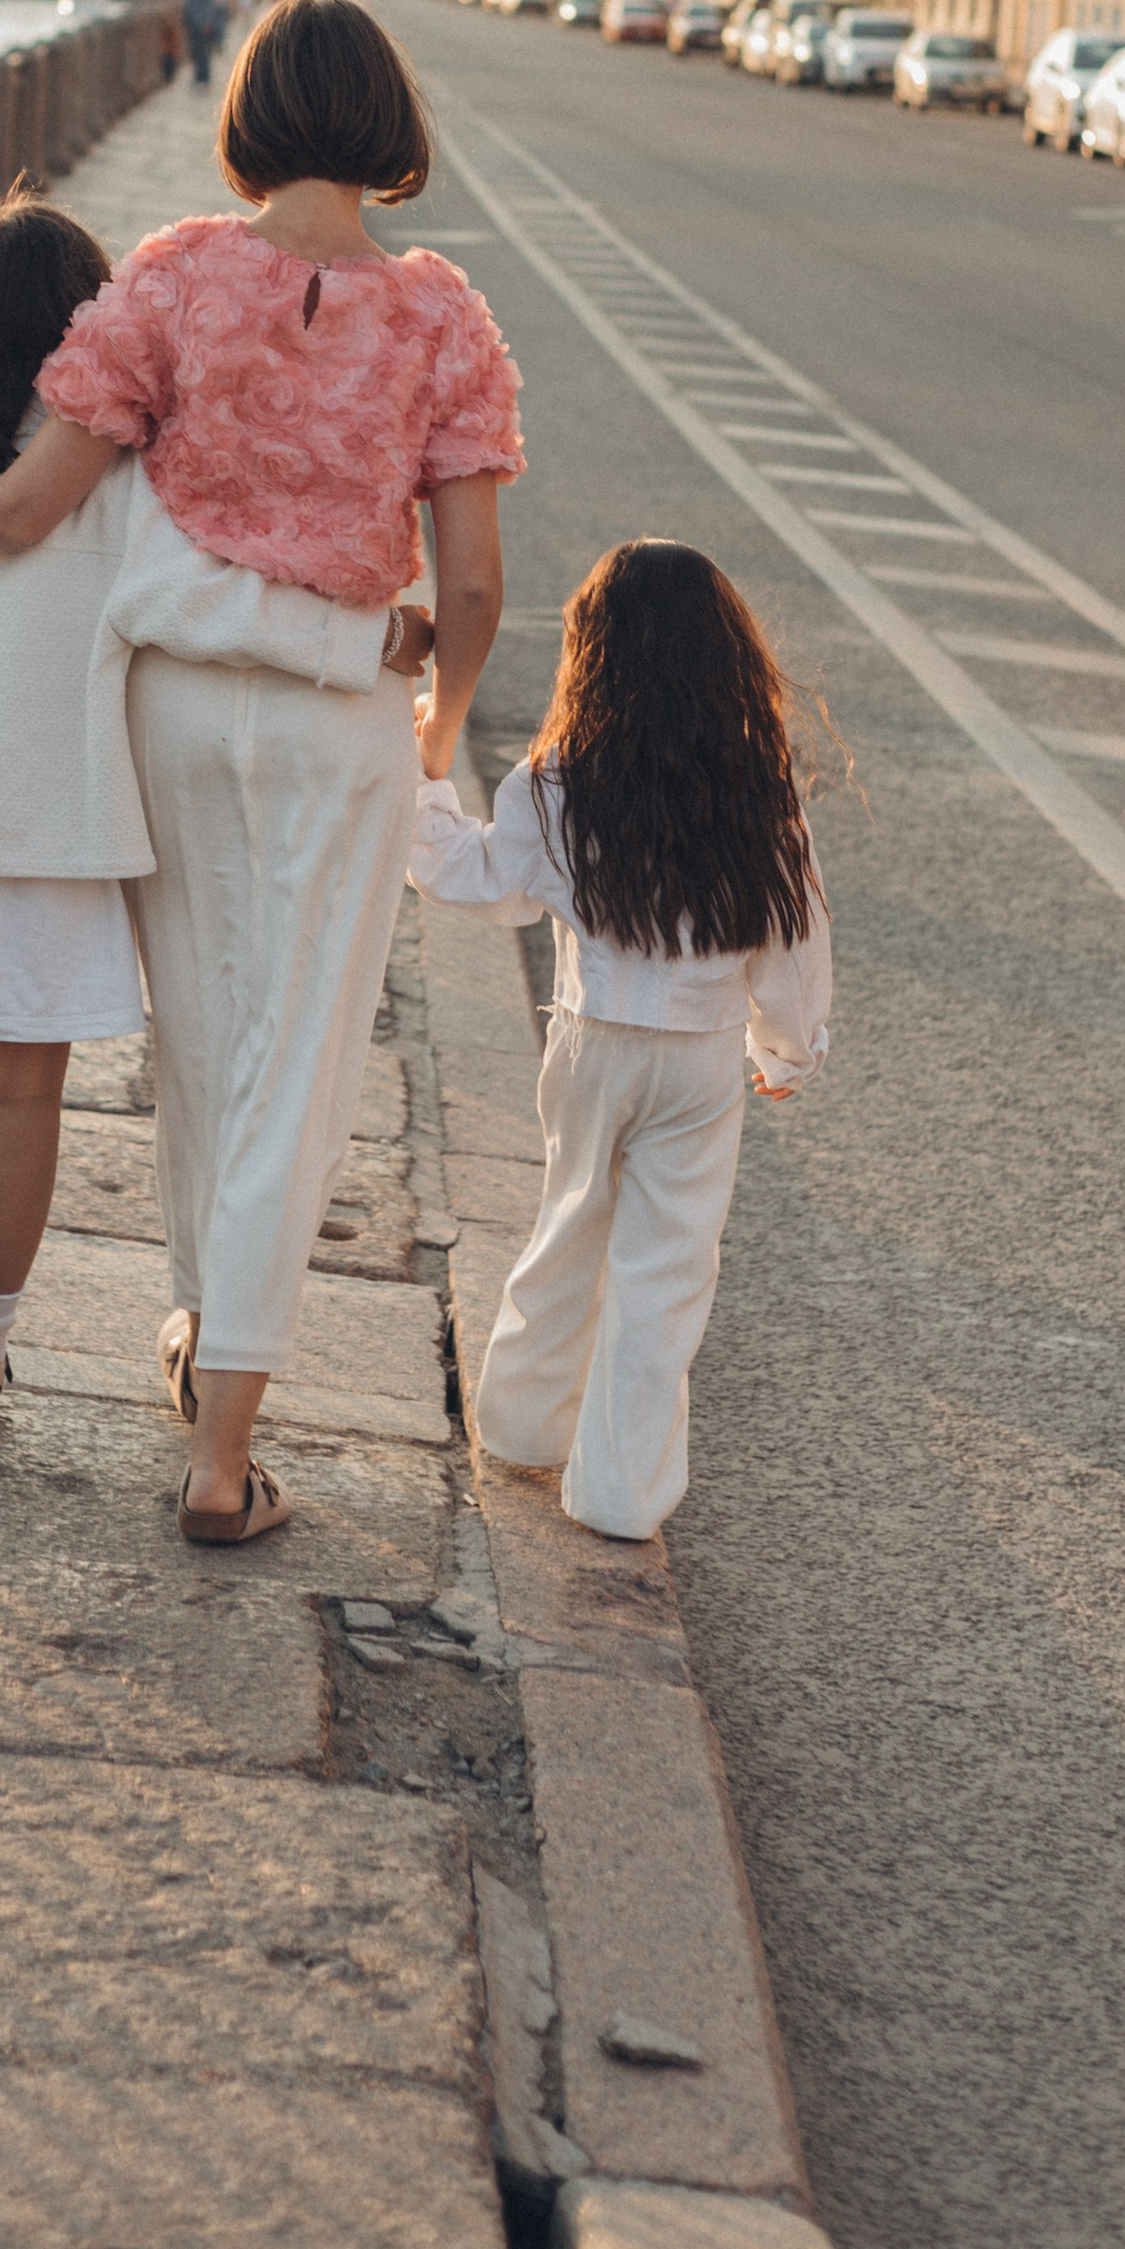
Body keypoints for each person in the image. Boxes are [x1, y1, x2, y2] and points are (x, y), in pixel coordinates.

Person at [0, 0, 522, 1545]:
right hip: (340, 724)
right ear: (392, 132)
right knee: (299, 1072)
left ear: (249, 114)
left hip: (178, 713)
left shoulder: (166, 278)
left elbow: (30, 508)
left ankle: (197, 1330)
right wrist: (434, 720)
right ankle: (221, 1453)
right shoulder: (443, 317)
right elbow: (471, 589)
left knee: (202, 1053)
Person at [0, 185, 404, 1438]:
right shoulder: (122, 478)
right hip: (66, 824)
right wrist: (372, 639)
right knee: (27, 1089)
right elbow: (179, 608)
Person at [407, 541, 830, 1541]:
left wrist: (425, 776)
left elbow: (478, 881)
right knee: (665, 1271)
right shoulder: (759, 792)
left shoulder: (562, 775)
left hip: (591, 1046)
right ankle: (619, 1494)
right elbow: (794, 939)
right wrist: (787, 1050)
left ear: (591, 653)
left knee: (569, 1226)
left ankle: (518, 1424)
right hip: (699, 1057)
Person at [180, 0, 230, 90]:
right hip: (195, 26)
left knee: (203, 54)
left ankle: (203, 79)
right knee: (197, 53)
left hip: (204, 27)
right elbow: (189, 8)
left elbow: (210, 8)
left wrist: (208, 24)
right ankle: (199, 79)